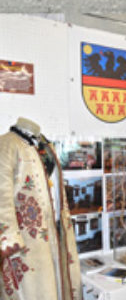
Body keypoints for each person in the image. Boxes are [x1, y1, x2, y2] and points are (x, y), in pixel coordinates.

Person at [0, 118, 82, 299]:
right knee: (35, 290)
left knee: (57, 284)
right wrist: (8, 239)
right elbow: (1, 195)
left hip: (54, 232)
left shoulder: (45, 146)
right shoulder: (6, 144)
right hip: (26, 241)